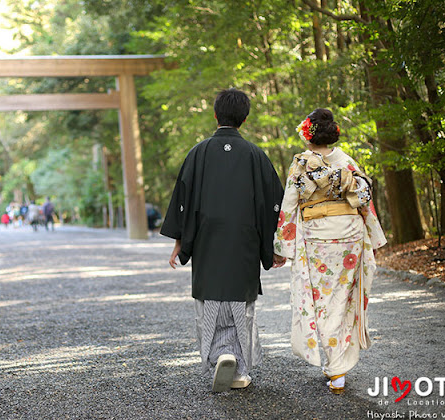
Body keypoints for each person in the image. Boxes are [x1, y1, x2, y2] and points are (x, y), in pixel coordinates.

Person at [161, 88, 284, 392]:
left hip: (206, 242)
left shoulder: (198, 153)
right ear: (245, 118)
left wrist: (179, 241)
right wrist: (275, 247)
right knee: (241, 304)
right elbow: (274, 205)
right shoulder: (256, 156)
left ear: (215, 115)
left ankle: (219, 356)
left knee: (211, 302)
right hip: (245, 243)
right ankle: (240, 369)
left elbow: (182, 203)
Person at [273, 108, 387, 394]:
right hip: (349, 233)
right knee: (343, 298)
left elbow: (289, 205)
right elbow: (364, 203)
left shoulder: (301, 164)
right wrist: (373, 237)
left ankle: (336, 368)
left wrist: (282, 247)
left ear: (308, 136)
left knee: (323, 299)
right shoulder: (346, 161)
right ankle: (338, 364)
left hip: (318, 236)